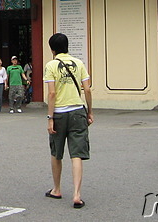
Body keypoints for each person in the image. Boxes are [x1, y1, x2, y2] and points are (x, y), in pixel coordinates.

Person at [44, 33, 93, 209]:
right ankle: (77, 194)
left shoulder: (51, 65)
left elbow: (51, 93)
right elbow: (87, 89)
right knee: (77, 153)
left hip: (59, 113)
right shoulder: (79, 63)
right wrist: (89, 111)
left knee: (56, 152)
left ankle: (57, 189)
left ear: (52, 49)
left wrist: (50, 118)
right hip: (78, 111)